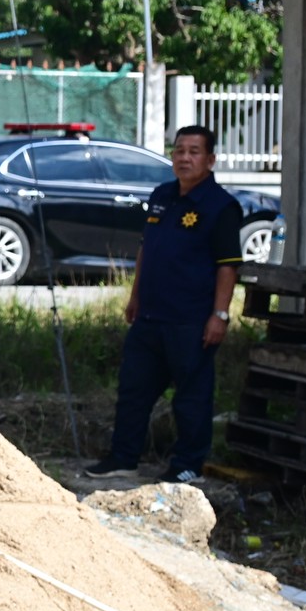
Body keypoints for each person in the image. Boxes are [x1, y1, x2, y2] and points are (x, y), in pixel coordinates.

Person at [85, 125, 244, 487]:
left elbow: (227, 266)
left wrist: (220, 314)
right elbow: (147, 250)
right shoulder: (162, 196)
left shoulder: (221, 207)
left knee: (191, 397)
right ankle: (122, 458)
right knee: (133, 390)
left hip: (191, 320)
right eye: (179, 151)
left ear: (210, 159)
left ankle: (187, 464)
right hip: (150, 316)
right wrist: (135, 296)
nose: (184, 158)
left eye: (193, 151)